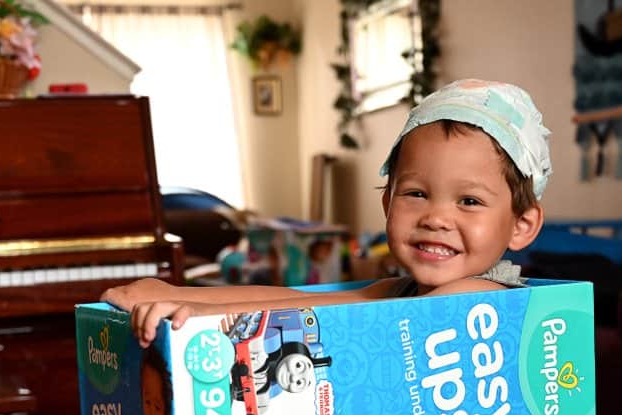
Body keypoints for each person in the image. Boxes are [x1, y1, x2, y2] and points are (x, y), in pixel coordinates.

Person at [101, 79, 552, 345]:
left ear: (522, 224)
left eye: (468, 201)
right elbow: (301, 299)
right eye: (415, 193)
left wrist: (197, 320)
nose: (436, 217)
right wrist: (179, 292)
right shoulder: (404, 291)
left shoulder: (476, 297)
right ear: (386, 202)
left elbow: (333, 314)